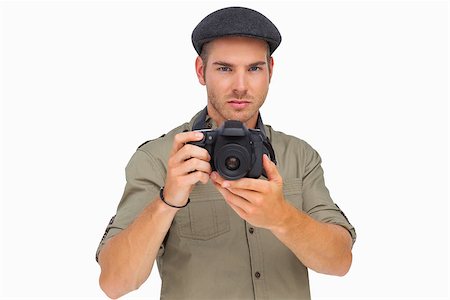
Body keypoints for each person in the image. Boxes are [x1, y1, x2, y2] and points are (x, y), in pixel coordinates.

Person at [96, 6, 356, 300]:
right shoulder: (160, 159)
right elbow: (114, 283)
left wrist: (282, 218)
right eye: (224, 68)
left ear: (271, 70)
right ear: (200, 71)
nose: (241, 86)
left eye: (254, 68)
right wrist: (168, 200)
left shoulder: (300, 156)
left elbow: (340, 262)